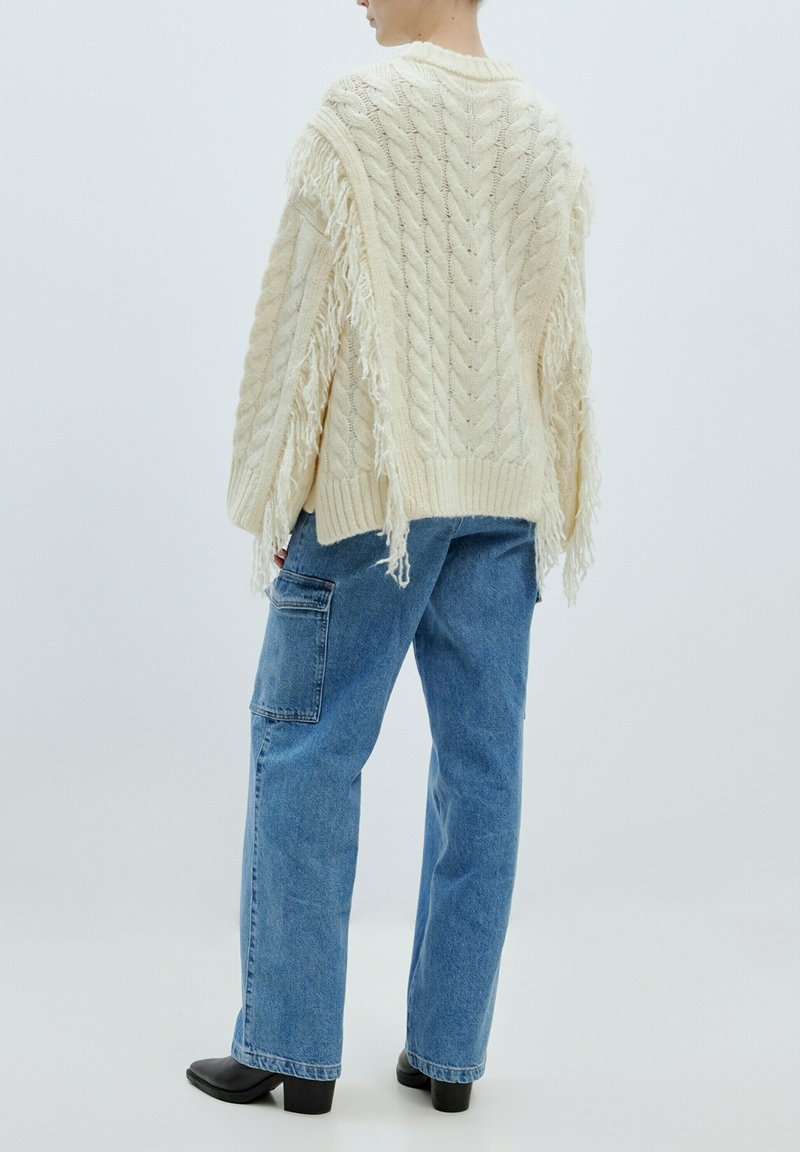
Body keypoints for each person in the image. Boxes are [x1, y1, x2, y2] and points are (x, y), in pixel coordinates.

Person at [186, 0, 600, 1116]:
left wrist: (282, 478)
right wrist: (549, 485)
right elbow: (558, 342)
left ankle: (291, 1048)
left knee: (307, 749)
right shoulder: (543, 132)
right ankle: (448, 1058)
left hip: (379, 493)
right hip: (503, 492)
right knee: (483, 770)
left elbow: (303, 321)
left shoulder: (362, 111)